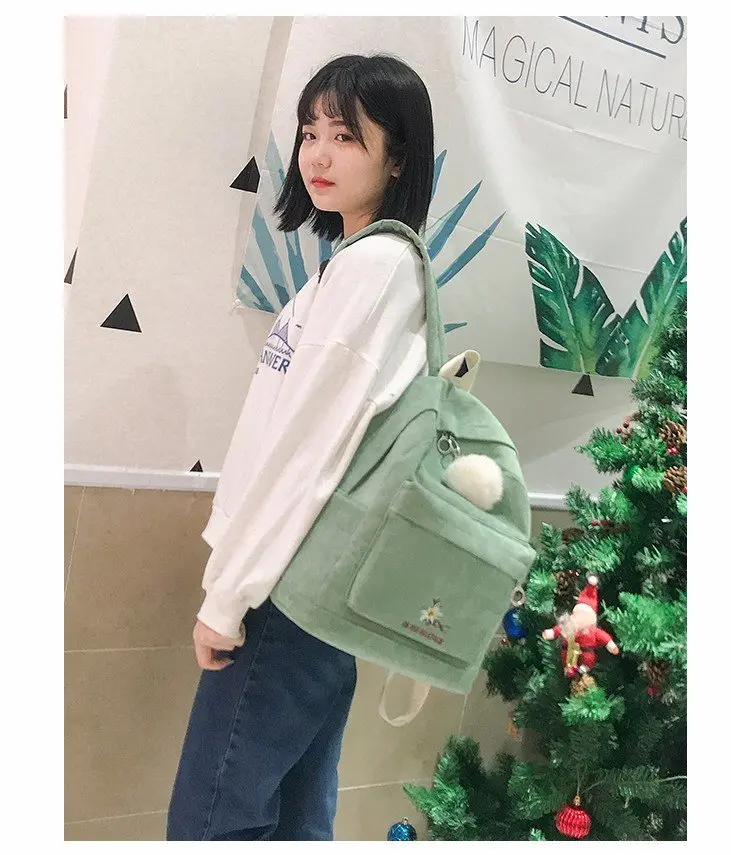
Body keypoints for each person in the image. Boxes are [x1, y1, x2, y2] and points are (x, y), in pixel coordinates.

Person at [166, 53, 435, 841]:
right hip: (306, 594)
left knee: (212, 824)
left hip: (284, 596)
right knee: (292, 821)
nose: (318, 153)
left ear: (397, 156)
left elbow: (306, 451)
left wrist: (228, 597)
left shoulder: (377, 266)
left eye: (346, 136)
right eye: (310, 131)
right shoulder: (356, 264)